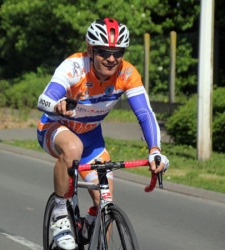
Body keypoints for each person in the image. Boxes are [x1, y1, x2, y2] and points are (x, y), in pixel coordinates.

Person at [37, 18, 169, 249]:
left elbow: (145, 113)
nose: (111, 58)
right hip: (56, 128)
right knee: (72, 147)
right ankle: (60, 214)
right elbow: (44, 99)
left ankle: (89, 227)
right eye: (103, 52)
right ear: (90, 50)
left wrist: (155, 150)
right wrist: (57, 105)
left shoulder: (127, 73)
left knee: (105, 202)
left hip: (91, 138)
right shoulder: (75, 66)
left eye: (117, 52)